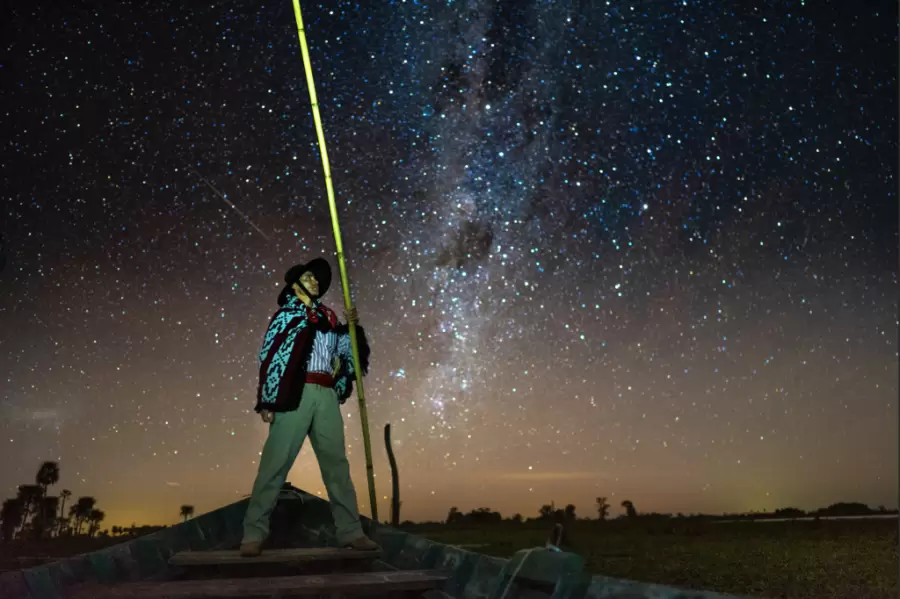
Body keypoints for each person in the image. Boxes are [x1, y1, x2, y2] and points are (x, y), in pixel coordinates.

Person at [240, 257, 378, 556]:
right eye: (309, 277)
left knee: (336, 465)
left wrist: (352, 330)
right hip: (294, 394)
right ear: (295, 283)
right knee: (275, 464)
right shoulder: (285, 316)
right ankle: (254, 533)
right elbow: (270, 355)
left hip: (326, 394)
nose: (315, 282)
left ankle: (351, 531)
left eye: (318, 279)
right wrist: (267, 398)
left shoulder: (329, 319)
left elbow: (345, 356)